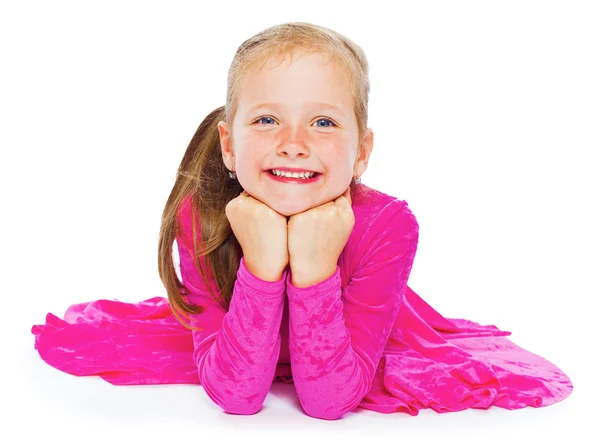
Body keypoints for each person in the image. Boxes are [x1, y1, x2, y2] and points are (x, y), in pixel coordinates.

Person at [31, 21, 573, 420]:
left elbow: (330, 402)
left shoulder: (389, 225)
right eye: (267, 119)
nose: (293, 145)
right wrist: (263, 269)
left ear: (362, 152)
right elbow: (237, 397)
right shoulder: (202, 214)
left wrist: (313, 271)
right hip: (240, 339)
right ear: (229, 145)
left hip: (350, 349)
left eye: (323, 122)